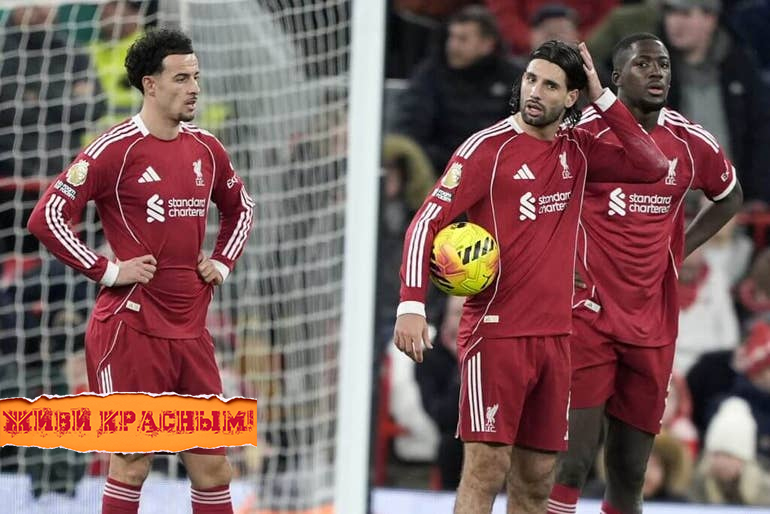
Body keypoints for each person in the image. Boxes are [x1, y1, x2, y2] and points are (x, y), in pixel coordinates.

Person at [394, 39, 668, 514]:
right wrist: (411, 304)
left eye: (551, 85)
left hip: (558, 338)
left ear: (572, 97)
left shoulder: (578, 149)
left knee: (539, 480)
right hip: (496, 334)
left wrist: (604, 98)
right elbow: (425, 224)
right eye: (530, 79)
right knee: (485, 470)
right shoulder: (487, 149)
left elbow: (653, 166)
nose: (535, 92)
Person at [27, 28, 253, 514]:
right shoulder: (116, 148)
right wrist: (107, 271)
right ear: (150, 85)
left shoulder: (207, 148)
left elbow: (242, 209)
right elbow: (47, 217)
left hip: (191, 332)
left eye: (196, 77)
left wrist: (221, 261)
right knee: (132, 462)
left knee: (214, 470)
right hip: (130, 329)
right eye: (181, 78)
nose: (194, 88)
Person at [547, 33, 742, 514]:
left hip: (652, 324)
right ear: (615, 77)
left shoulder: (690, 141)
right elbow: (540, 200)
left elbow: (730, 197)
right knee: (572, 466)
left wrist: (679, 250)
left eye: (664, 64)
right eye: (643, 64)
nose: (657, 72)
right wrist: (556, 262)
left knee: (630, 473)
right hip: (587, 316)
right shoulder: (583, 135)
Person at [391, 5, 523, 174]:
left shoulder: (512, 78)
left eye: (462, 39)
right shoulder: (430, 74)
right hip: (439, 170)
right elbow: (411, 127)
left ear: (487, 45)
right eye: (451, 37)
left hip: (497, 170)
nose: (453, 45)